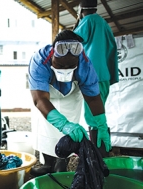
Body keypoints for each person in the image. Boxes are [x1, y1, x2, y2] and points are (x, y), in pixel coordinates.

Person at [28, 30, 111, 177]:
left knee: (71, 127)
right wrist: (63, 124)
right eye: (59, 64)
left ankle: (61, 164)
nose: (64, 69)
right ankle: (48, 164)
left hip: (72, 95)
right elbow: (40, 99)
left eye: (70, 65)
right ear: (52, 54)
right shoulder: (39, 60)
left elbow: (93, 98)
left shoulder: (85, 64)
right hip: (46, 96)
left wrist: (102, 124)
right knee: (45, 127)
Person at [73, 0, 118, 157]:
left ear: (81, 9)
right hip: (104, 74)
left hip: (91, 75)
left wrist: (77, 22)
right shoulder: (104, 23)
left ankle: (98, 156)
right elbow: (112, 49)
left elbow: (72, 41)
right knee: (100, 114)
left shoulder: (88, 21)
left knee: (93, 116)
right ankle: (104, 151)